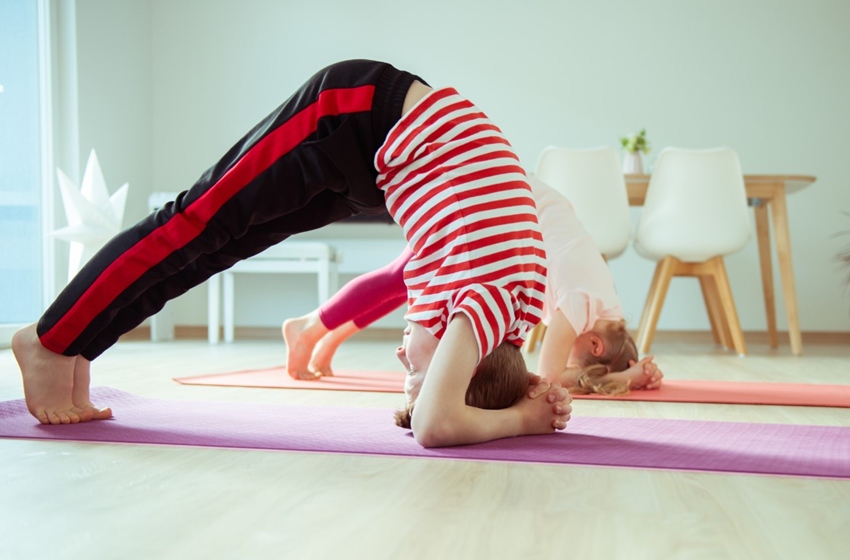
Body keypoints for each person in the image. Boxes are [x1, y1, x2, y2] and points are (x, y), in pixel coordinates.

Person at [13, 59, 570, 448]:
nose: (404, 359)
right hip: (354, 115)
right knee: (193, 220)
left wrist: (522, 392)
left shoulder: (509, 318)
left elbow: (473, 387)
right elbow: (435, 426)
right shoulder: (482, 302)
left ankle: (81, 347)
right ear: (465, 349)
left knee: (215, 247)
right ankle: (49, 339)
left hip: (376, 164)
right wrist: (522, 418)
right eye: (420, 371)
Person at [284, 178, 663, 407]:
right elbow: (549, 375)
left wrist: (624, 373)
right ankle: (309, 327)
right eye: (579, 361)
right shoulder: (584, 301)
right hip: (496, 201)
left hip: (507, 202)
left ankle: (324, 336)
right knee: (402, 275)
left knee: (409, 278)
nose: (571, 361)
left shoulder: (602, 299)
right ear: (595, 345)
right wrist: (622, 380)